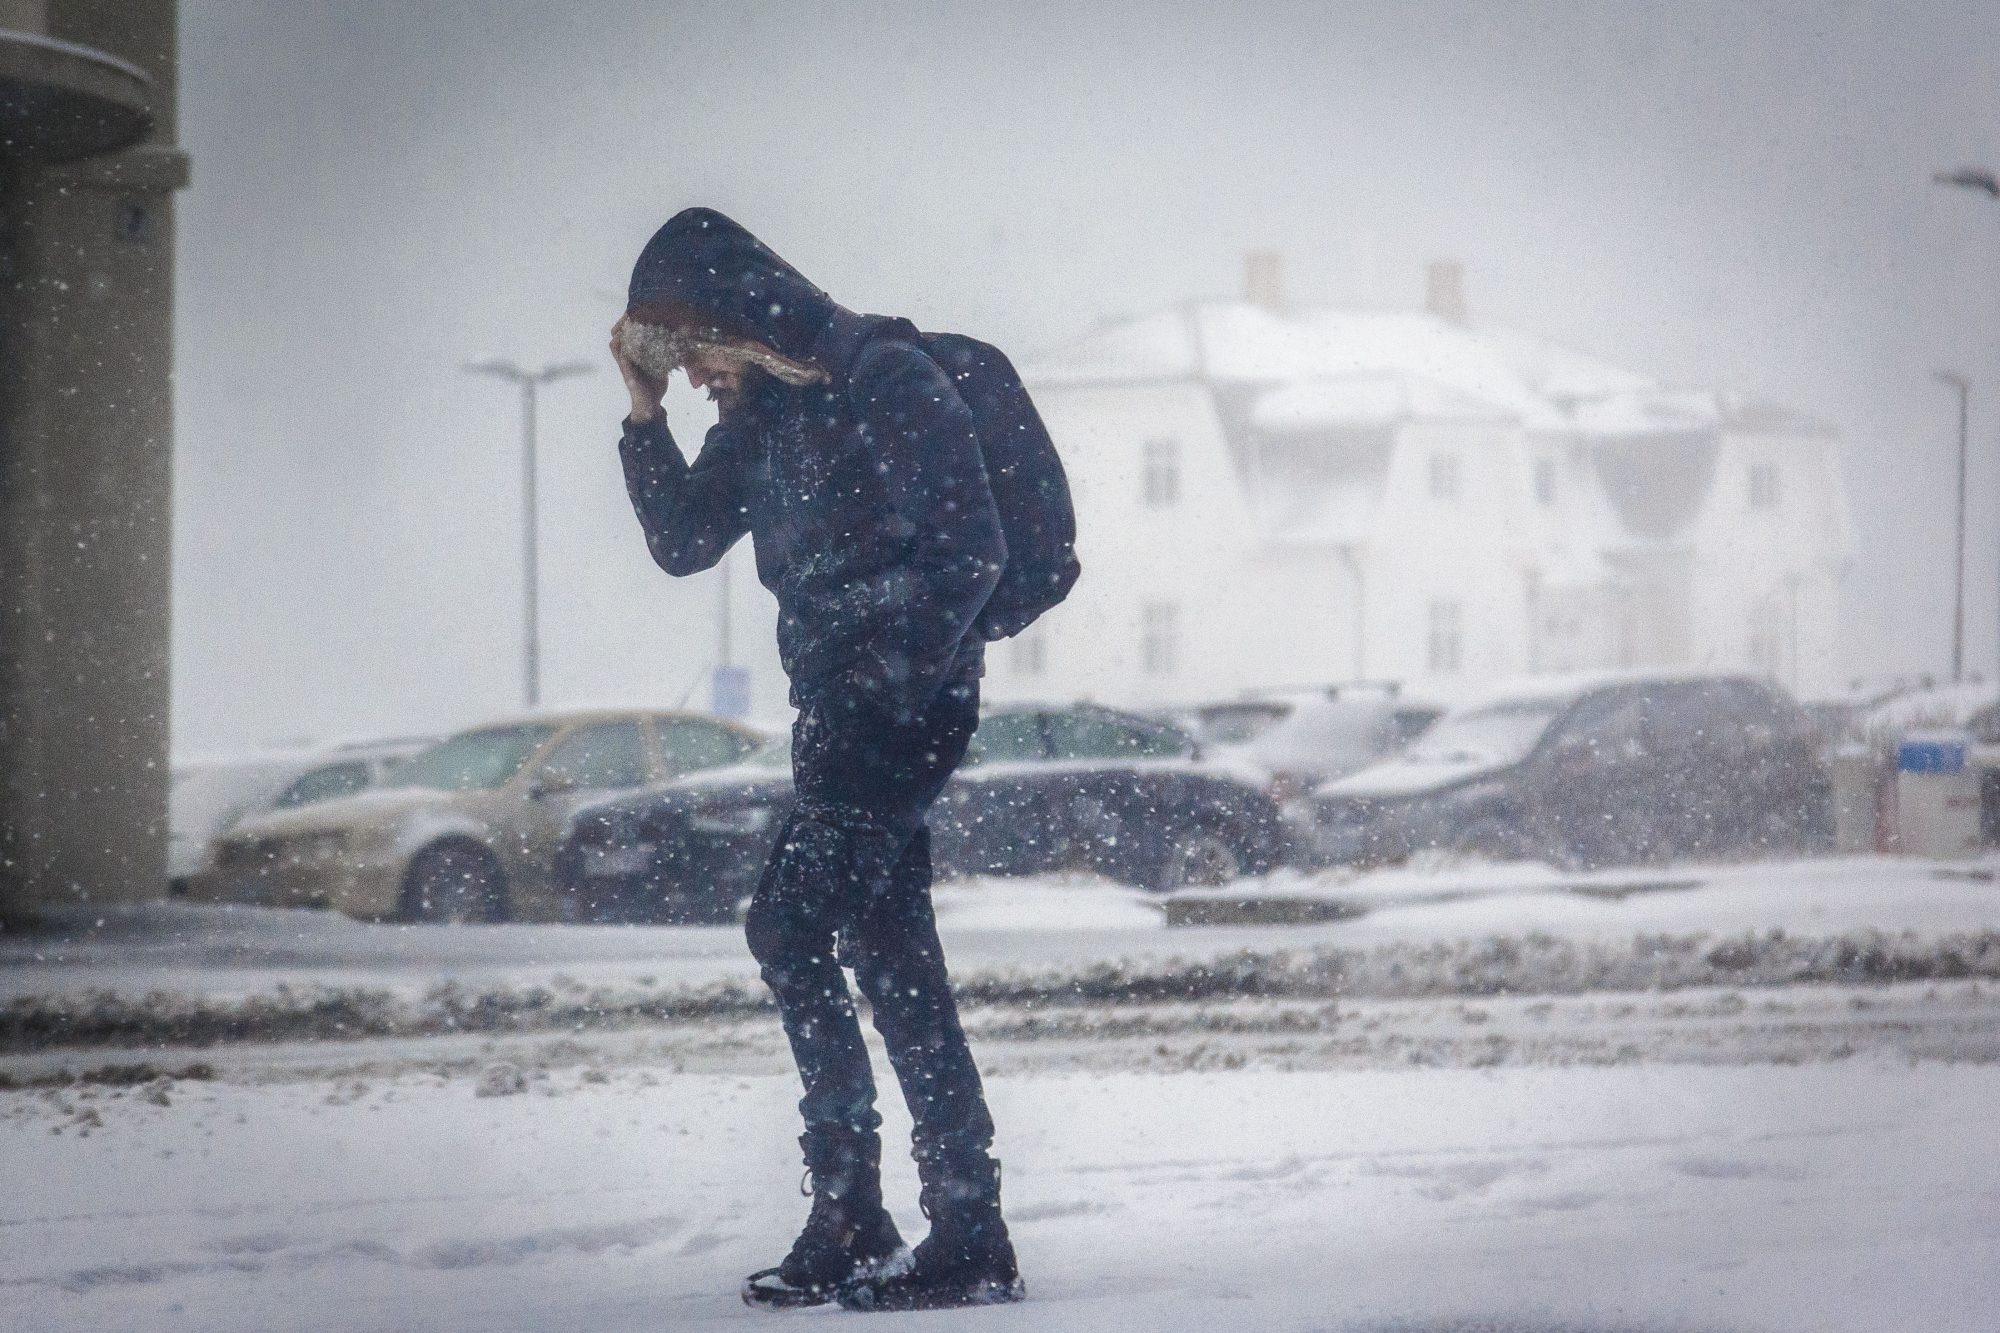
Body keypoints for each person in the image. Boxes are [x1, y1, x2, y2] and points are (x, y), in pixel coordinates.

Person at [608, 208, 1024, 1312]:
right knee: (892, 956)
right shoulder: (768, 415)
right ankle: (959, 1228)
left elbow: (971, 550)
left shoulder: (883, 378)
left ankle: (856, 1207)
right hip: (831, 715)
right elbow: (683, 540)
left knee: (786, 924)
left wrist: (889, 676)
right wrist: (642, 413)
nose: (691, 373)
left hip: (902, 710)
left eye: (687, 349)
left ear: (734, 315)